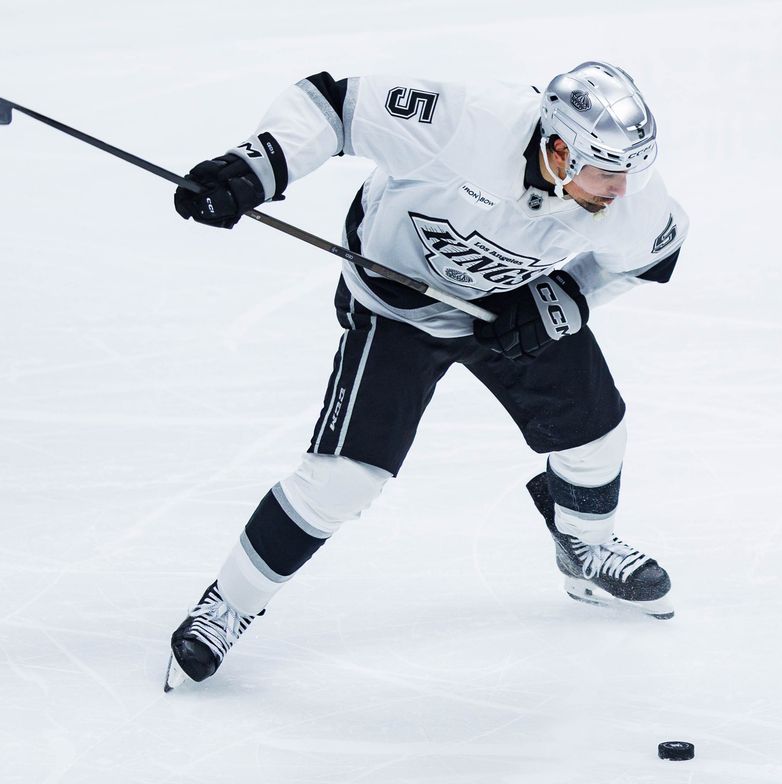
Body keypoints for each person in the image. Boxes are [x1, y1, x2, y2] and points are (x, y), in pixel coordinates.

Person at [164, 61, 689, 691]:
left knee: (597, 438)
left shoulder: (622, 195)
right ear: (558, 150)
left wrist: (568, 298)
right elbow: (334, 107)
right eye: (608, 174)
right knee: (342, 481)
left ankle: (585, 549)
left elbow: (656, 255)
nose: (623, 190)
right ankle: (227, 607)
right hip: (397, 304)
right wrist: (257, 165)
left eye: (630, 173)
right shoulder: (466, 119)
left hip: (505, 306)